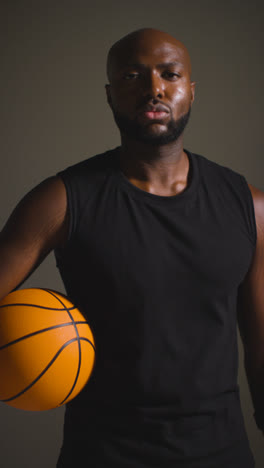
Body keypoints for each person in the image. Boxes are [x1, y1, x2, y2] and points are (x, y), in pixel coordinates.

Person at [0, 27, 263, 468]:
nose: (154, 89)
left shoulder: (251, 206)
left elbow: (261, 344)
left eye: (170, 74)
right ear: (109, 95)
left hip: (221, 453)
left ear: (191, 92)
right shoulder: (62, 200)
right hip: (102, 454)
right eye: (132, 76)